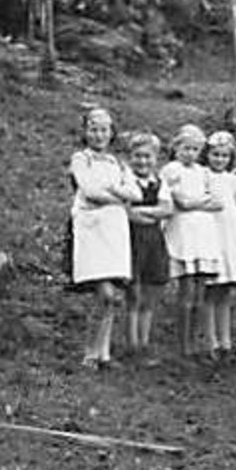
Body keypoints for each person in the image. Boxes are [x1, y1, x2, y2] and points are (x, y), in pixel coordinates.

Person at [69, 107, 141, 368]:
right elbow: (88, 190)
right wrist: (117, 197)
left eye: (104, 129)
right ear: (85, 131)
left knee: (113, 296)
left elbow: (136, 194)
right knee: (105, 293)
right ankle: (90, 352)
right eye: (93, 129)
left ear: (112, 133)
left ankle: (104, 353)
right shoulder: (81, 159)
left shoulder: (118, 163)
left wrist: (114, 192)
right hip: (91, 230)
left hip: (115, 232)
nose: (99, 135)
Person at [161, 124, 220, 359]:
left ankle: (196, 341)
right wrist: (199, 202)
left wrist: (194, 202)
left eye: (195, 149)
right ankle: (183, 344)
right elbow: (181, 202)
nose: (190, 154)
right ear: (176, 148)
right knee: (186, 291)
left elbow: (217, 202)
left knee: (200, 292)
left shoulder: (202, 172)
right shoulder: (171, 170)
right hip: (183, 233)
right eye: (186, 148)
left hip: (203, 235)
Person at [123, 131, 171, 363]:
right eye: (138, 156)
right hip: (132, 239)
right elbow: (128, 213)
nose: (143, 161)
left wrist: (144, 212)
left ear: (156, 159)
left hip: (154, 240)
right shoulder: (127, 180)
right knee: (134, 291)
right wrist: (145, 214)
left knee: (151, 291)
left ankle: (145, 341)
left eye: (147, 157)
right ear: (130, 157)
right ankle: (132, 344)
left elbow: (167, 209)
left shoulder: (159, 182)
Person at [203, 131, 236, 362]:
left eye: (224, 156)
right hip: (212, 233)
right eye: (215, 154)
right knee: (211, 289)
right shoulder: (204, 176)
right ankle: (211, 339)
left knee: (226, 291)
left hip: (230, 233)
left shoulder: (235, 180)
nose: (219, 159)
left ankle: (225, 340)